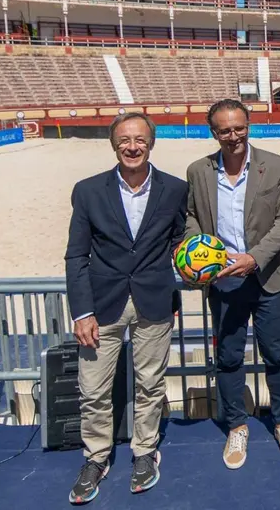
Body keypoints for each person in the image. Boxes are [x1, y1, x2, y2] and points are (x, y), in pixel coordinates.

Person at [65, 113, 188, 504]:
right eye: (124, 140)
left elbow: (178, 243)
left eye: (139, 139)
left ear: (151, 143)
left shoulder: (174, 189)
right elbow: (76, 255)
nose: (132, 146)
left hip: (154, 300)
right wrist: (82, 311)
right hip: (102, 305)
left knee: (151, 384)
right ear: (113, 144)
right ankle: (96, 457)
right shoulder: (87, 191)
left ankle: (145, 451)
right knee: (93, 389)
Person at [183, 99, 280, 470]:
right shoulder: (198, 171)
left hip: (266, 277)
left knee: (277, 354)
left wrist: (254, 257)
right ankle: (237, 424)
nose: (233, 136)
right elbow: (191, 217)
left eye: (239, 128)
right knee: (229, 358)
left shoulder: (277, 166)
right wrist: (202, 255)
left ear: (248, 125)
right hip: (222, 281)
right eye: (224, 130)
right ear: (213, 132)